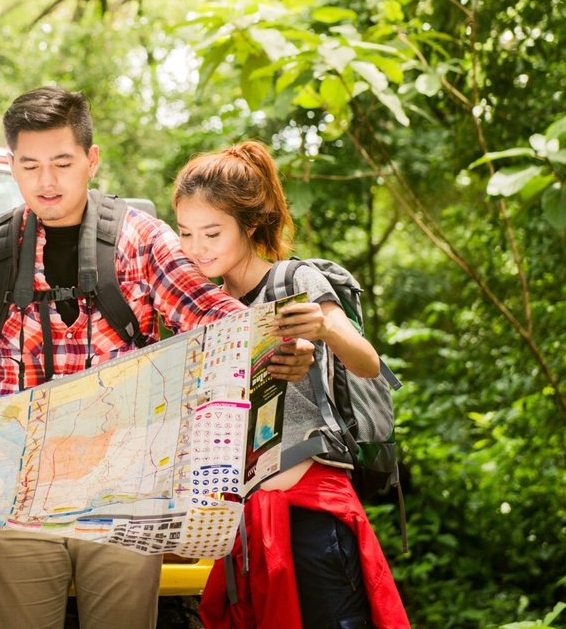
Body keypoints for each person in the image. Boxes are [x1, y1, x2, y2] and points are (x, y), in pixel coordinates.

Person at [0, 86, 292, 629]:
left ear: (91, 160)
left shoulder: (141, 238)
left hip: (126, 491)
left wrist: (279, 345)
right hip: (16, 496)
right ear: (11, 165)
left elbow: (210, 315)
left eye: (62, 162)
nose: (46, 180)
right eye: (29, 165)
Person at [173, 141, 409, 629]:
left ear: (250, 224)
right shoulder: (204, 309)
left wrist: (320, 330)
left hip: (309, 508)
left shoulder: (293, 281)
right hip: (242, 518)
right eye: (186, 234)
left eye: (212, 232)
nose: (197, 248)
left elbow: (366, 363)